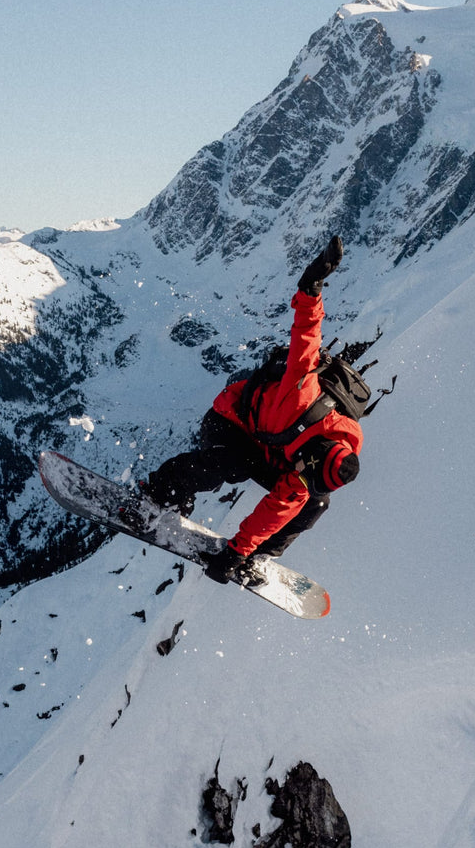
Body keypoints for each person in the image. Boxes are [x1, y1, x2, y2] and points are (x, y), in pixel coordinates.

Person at [141, 235, 360, 585]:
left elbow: (281, 505)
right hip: (232, 422)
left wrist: (237, 553)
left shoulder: (312, 470)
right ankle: (160, 491)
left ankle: (260, 557)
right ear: (314, 452)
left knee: (314, 505)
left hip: (271, 450)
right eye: (306, 472)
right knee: (234, 463)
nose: (302, 478)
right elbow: (307, 336)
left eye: (306, 477)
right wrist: (311, 288)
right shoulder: (301, 394)